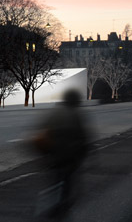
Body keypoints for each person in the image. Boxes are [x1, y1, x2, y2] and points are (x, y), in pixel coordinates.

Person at [33, 88, 90, 218]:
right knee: (67, 189)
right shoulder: (75, 114)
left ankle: (48, 212)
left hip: (52, 159)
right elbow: (84, 139)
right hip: (69, 160)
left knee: (53, 186)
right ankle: (60, 212)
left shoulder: (54, 112)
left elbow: (40, 133)